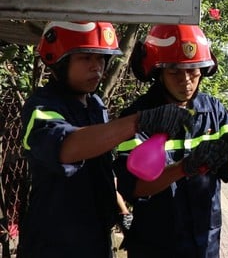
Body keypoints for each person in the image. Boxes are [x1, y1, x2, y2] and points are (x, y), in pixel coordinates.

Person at [18, 21, 194, 258]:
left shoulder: (95, 105)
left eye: (101, 58)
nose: (96, 68)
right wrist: (137, 122)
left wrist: (122, 213)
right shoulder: (41, 106)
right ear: (59, 61)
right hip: (53, 243)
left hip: (96, 238)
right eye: (85, 58)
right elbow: (66, 147)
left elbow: (102, 168)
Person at [113, 24, 228, 258]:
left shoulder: (214, 111)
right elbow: (134, 187)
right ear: (158, 73)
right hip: (156, 247)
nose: (186, 80)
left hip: (205, 244)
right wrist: (184, 168)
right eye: (174, 72)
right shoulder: (138, 118)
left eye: (193, 70)